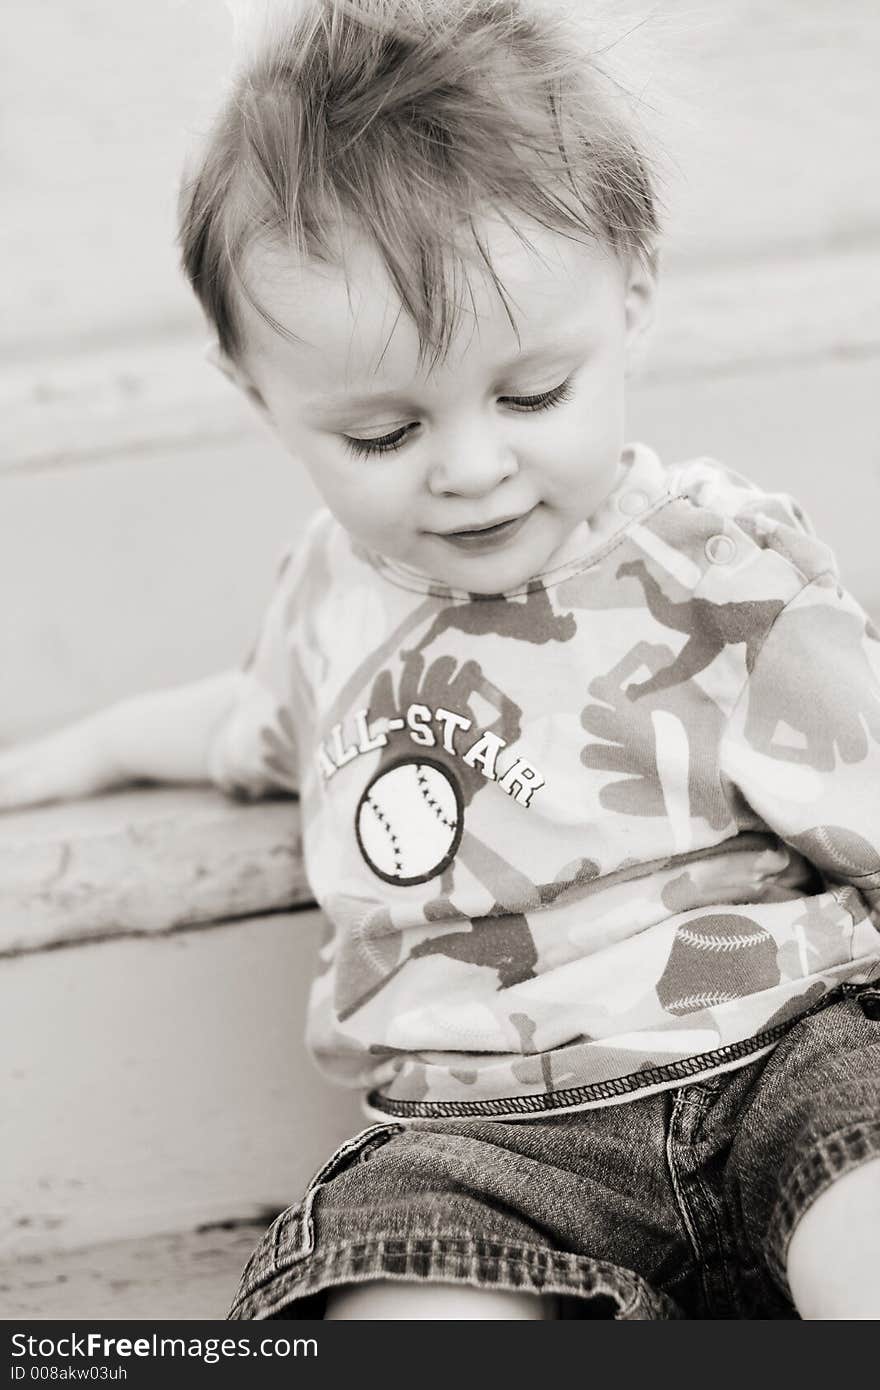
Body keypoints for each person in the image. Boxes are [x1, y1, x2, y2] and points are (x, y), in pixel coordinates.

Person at [2, 0, 879, 1319]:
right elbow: (245, 720)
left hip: (777, 1054)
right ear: (258, 394)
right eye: (382, 432)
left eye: (532, 394)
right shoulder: (326, 603)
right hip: (480, 1143)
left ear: (631, 294)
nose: (471, 468)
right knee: (385, 1290)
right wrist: (62, 757)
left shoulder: (719, 564)